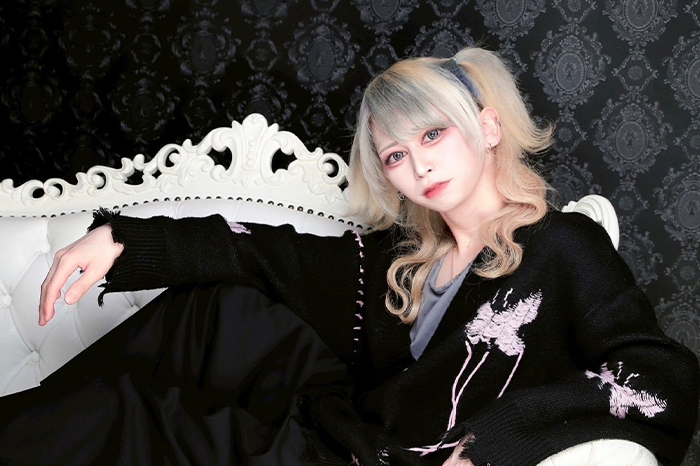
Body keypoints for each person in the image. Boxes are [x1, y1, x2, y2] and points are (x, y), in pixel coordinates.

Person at [3, 46, 698, 466]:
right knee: (220, 308)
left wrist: (495, 444)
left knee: (129, 414)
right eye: (395, 154)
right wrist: (122, 239)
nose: (418, 166)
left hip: (370, 456)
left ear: (487, 127)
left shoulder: (562, 246)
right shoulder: (402, 256)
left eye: (433, 135)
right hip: (339, 422)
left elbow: (661, 376)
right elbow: (265, 253)